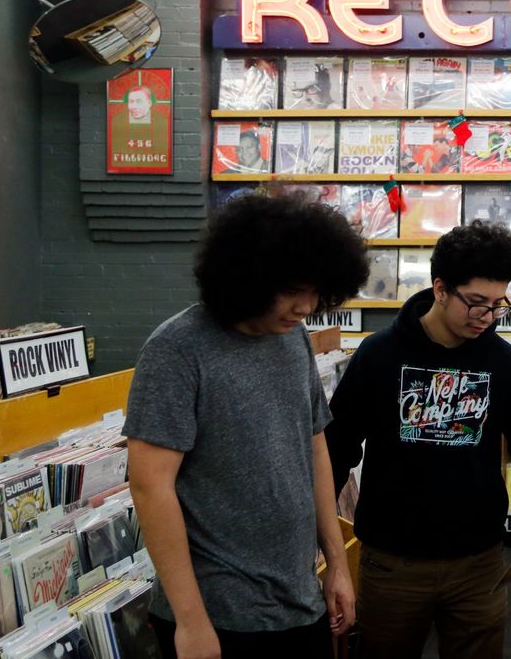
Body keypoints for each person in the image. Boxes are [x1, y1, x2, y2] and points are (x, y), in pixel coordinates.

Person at [325, 222, 511, 658]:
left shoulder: (503, 362)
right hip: (392, 563)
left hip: (478, 563)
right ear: (440, 289)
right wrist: (323, 546)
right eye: (476, 303)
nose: (487, 317)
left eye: (498, 305)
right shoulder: (379, 355)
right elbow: (336, 449)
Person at [125, 194, 369, 658]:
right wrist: (192, 622)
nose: (306, 306)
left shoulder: (294, 338)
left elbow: (314, 446)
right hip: (218, 616)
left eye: (317, 291)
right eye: (292, 289)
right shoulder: (177, 349)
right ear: (248, 275)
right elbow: (149, 486)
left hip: (298, 601)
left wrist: (337, 563)